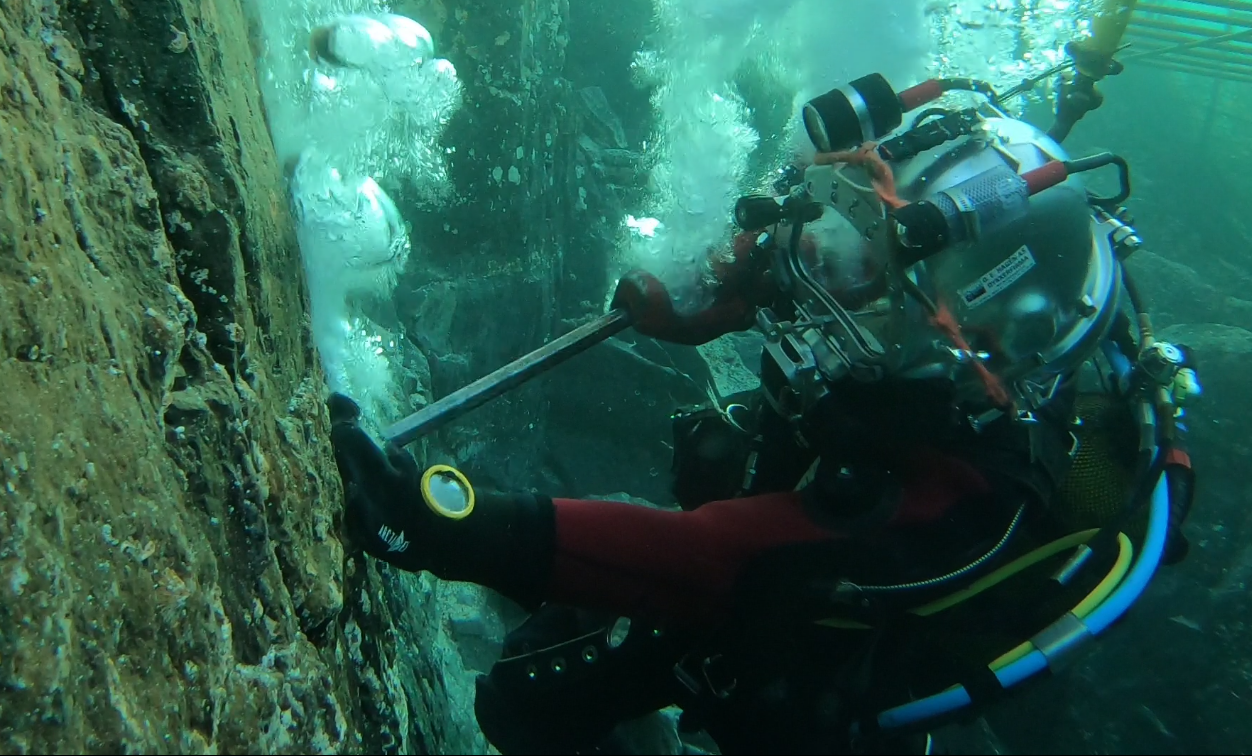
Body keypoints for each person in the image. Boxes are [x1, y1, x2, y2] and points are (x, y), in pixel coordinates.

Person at [330, 74, 1197, 754]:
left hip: (815, 670)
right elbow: (815, 253)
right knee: (545, 666)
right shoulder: (918, 319)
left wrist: (442, 523)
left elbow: (714, 558)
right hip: (800, 523)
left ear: (970, 343)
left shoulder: (963, 494)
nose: (834, 269)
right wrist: (704, 307)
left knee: (539, 693)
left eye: (874, 275)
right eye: (854, 224)